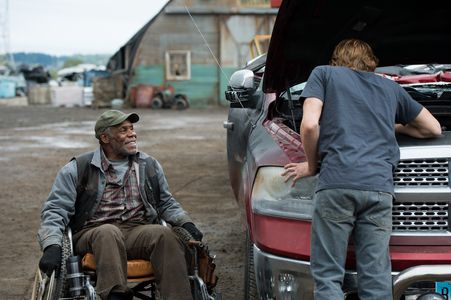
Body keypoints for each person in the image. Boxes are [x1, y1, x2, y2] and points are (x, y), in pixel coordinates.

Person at [282, 39, 442, 299]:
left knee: (328, 276)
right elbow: (433, 128)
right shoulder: (390, 88)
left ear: (337, 59)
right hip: (379, 189)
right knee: (376, 278)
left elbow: (310, 125)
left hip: (337, 184)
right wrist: (390, 126)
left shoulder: (324, 74)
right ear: (371, 61)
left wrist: (312, 166)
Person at [37, 110, 203, 300]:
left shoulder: (148, 165)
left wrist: (186, 223)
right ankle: (116, 296)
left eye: (132, 129)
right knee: (108, 232)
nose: (132, 134)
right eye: (123, 130)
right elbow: (56, 210)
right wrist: (52, 246)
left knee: (164, 234)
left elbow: (166, 202)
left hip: (136, 231)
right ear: (105, 137)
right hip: (93, 233)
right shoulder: (78, 169)